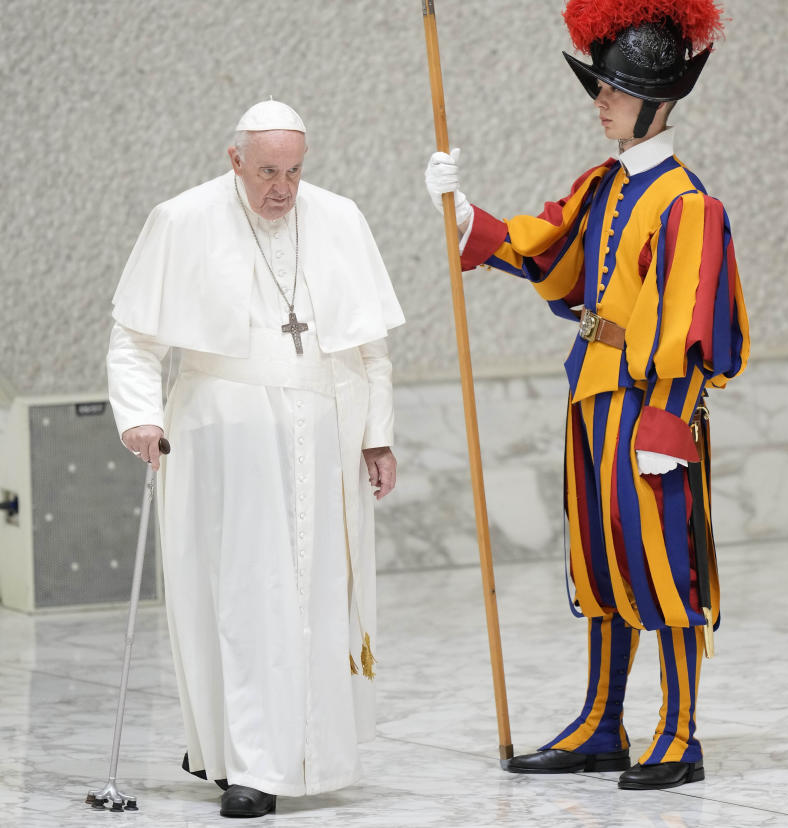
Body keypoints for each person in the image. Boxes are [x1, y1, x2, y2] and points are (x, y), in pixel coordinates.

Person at [424, 0, 748, 791]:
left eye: (613, 88)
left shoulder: (688, 205)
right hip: (593, 400)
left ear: (659, 102)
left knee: (664, 564)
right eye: (599, 85)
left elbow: (698, 319)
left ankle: (679, 734)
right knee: (601, 561)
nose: (599, 99)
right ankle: (604, 724)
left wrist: (670, 422)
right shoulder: (604, 186)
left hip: (650, 408)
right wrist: (469, 217)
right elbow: (552, 254)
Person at [107, 99, 404, 818]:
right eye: (268, 170)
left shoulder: (339, 217)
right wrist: (141, 418)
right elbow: (134, 341)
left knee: (316, 600)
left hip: (324, 437)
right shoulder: (181, 220)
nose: (283, 188)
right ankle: (243, 758)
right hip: (222, 439)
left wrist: (377, 434)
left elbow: (370, 345)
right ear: (234, 158)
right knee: (240, 598)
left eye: (295, 170)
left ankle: (296, 750)